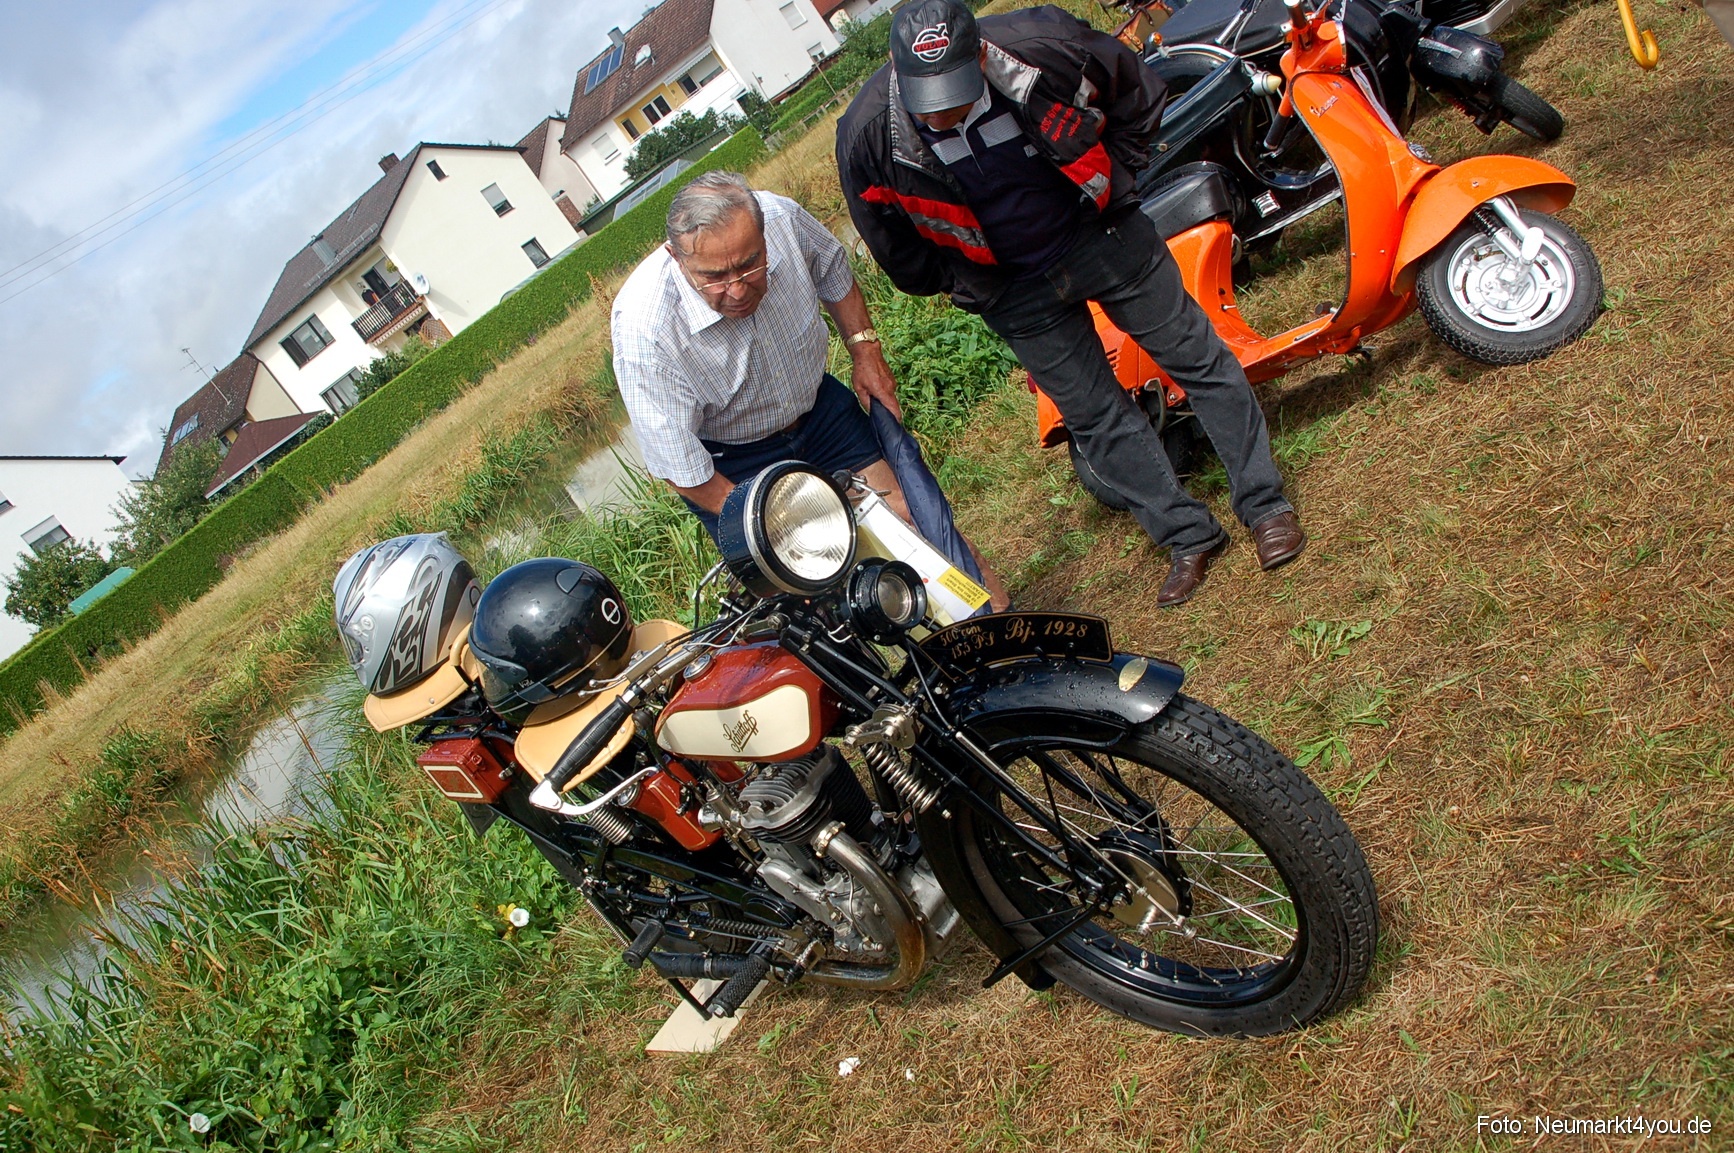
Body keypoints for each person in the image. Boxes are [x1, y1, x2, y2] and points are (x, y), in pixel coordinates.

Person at [837, 0, 1305, 607]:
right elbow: (892, 244)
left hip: (1102, 236)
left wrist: (1117, 185)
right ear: (899, 75)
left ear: (979, 53)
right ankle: (1186, 536)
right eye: (930, 98)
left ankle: (1265, 506)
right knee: (1095, 417)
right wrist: (971, 283)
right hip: (1013, 289)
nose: (946, 111)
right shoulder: (869, 135)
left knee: (1195, 355)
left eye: (956, 90)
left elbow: (1137, 93)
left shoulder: (1046, 46)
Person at [609, 170, 1010, 609]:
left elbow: (834, 270)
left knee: (912, 525)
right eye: (715, 277)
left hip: (819, 412)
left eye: (750, 263)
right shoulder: (644, 326)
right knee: (811, 590)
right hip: (734, 460)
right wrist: (772, 522)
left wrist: (864, 351)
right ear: (676, 258)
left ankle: (1002, 629)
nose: (738, 289)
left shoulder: (781, 217)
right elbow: (677, 462)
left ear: (763, 234)